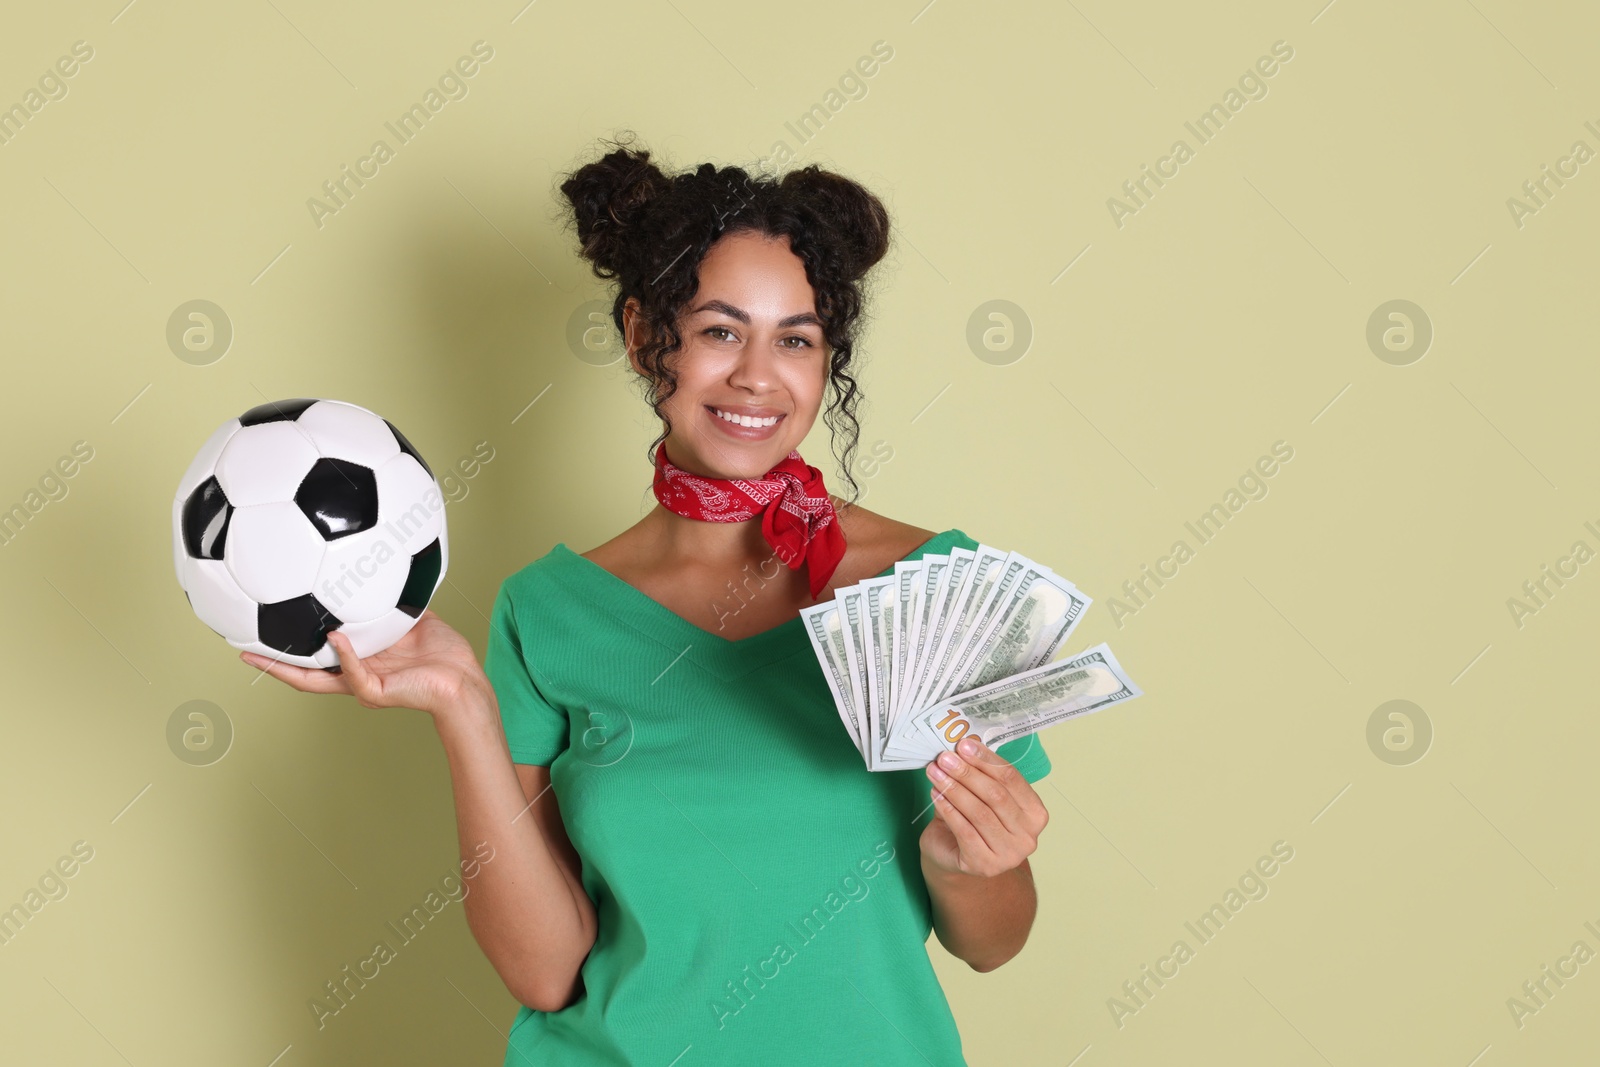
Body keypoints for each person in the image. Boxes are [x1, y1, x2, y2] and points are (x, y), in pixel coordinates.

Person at [242, 136, 1052, 1066]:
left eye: (796, 337)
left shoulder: (937, 587)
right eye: (719, 330)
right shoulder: (547, 609)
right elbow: (547, 973)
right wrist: (464, 707)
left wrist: (968, 861)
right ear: (641, 334)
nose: (757, 373)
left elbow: (994, 940)